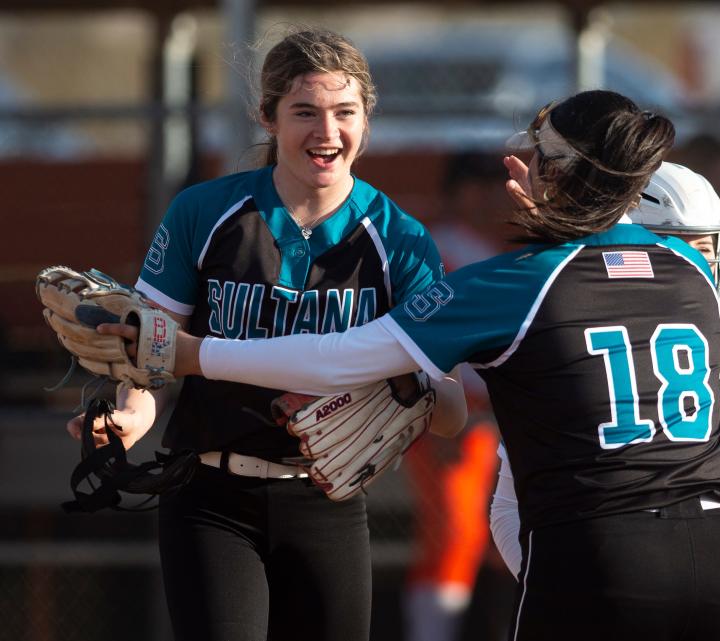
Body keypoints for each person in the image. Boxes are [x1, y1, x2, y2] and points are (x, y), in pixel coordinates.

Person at [97, 90, 720, 640]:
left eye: (539, 153)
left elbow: (344, 355)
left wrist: (196, 353)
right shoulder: (688, 272)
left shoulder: (519, 280)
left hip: (602, 556)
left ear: (565, 173)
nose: (522, 164)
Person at [66, 27, 466, 641]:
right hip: (208, 493)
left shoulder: (400, 238)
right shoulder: (206, 212)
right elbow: (152, 357)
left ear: (367, 120)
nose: (327, 133)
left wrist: (411, 387)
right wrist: (128, 415)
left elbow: (451, 411)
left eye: (345, 113)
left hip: (327, 499)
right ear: (268, 116)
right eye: (304, 112)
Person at [489, 161, 720, 641]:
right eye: (686, 250)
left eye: (708, 249)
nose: (702, 266)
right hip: (609, 553)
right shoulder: (573, 323)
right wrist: (561, 580)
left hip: (718, 550)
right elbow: (507, 502)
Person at [403, 153, 505, 641]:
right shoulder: (437, 250)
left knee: (495, 538)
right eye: (478, 186)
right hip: (451, 416)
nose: (490, 197)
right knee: (453, 537)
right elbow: (423, 343)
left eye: (495, 186)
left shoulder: (490, 249)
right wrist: (438, 416)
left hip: (497, 418)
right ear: (456, 191)